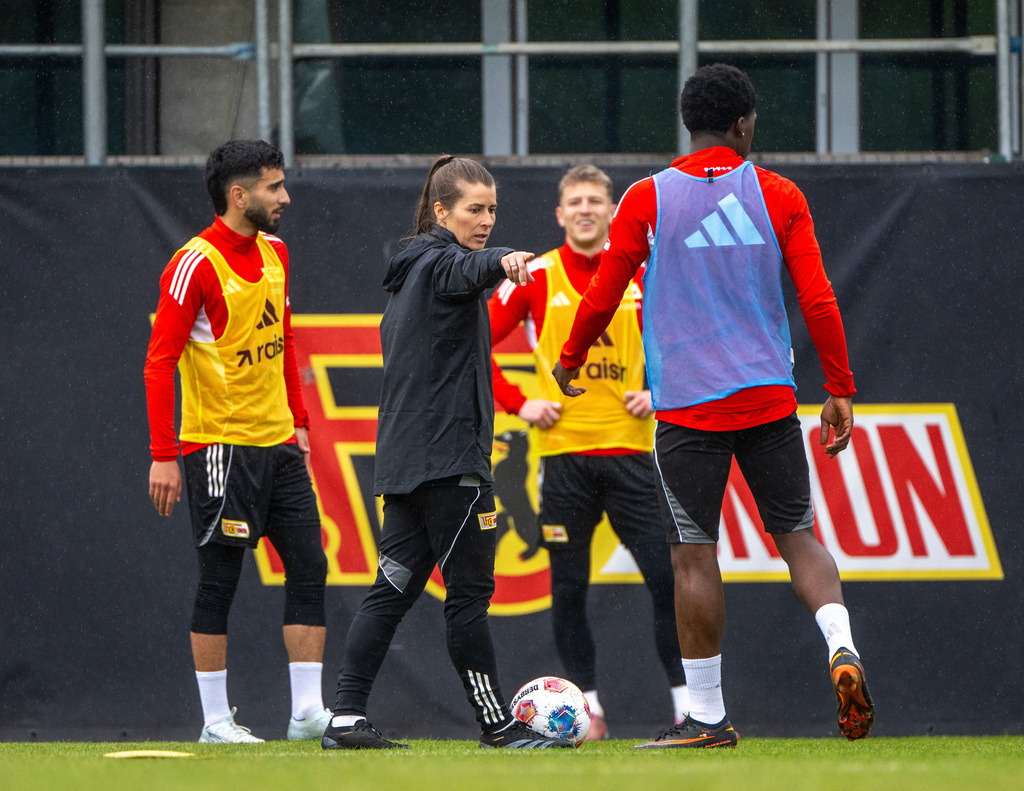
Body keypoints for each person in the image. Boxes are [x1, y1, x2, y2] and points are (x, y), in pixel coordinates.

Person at [553, 64, 875, 748]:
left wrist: (571, 356)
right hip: (767, 400)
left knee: (694, 557)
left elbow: (606, 289)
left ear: (688, 123)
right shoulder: (778, 192)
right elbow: (817, 297)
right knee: (799, 537)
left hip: (689, 411)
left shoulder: (646, 198)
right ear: (743, 124)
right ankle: (841, 644)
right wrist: (839, 386)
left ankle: (707, 716)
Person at [321, 155, 574, 750]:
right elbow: (470, 267)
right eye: (474, 209)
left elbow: (465, 267)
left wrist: (488, 260)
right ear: (441, 211)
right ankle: (497, 726)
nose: (486, 219)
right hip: (451, 465)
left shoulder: (412, 268)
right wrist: (503, 259)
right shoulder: (441, 264)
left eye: (493, 210)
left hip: (408, 466)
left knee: (391, 589)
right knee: (468, 599)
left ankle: (345, 718)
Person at [488, 164, 688, 739]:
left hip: (630, 455)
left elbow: (685, 337)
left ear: (611, 212)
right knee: (570, 589)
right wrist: (517, 402)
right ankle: (589, 711)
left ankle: (685, 705)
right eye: (574, 201)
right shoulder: (535, 276)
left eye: (596, 201)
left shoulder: (643, 273)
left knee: (666, 581)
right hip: (563, 461)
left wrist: (661, 391)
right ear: (559, 214)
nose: (584, 209)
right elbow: (475, 339)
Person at [145, 140, 331, 743]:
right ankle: (216, 723)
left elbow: (286, 342)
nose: (285, 197)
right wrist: (163, 455)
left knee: (309, 565)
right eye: (274, 187)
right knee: (219, 580)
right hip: (218, 449)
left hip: (278, 443)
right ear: (238, 194)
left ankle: (306, 716)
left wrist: (300, 421)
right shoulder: (194, 263)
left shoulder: (276, 252)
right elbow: (159, 362)